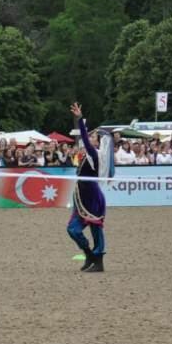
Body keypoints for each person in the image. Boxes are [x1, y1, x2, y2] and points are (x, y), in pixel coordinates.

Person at [67, 103, 112, 273]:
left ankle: (98, 260)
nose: (90, 138)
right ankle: (89, 254)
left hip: (92, 196)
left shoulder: (94, 155)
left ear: (98, 142)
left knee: (96, 229)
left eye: (93, 137)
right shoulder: (86, 155)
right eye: (90, 136)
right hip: (81, 195)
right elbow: (82, 141)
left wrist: (79, 119)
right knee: (72, 229)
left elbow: (84, 139)